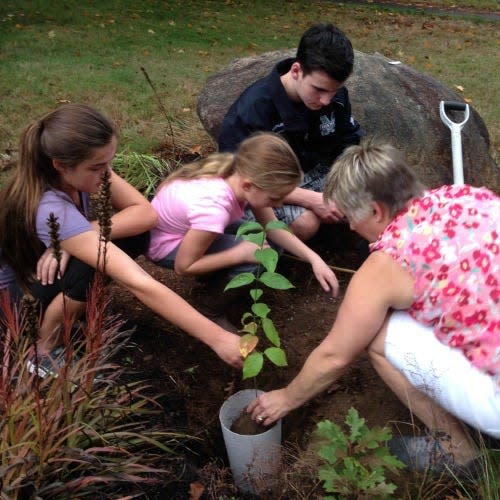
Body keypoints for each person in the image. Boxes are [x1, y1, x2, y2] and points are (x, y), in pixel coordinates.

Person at [247, 142, 499, 472]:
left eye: (352, 216)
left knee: (378, 337)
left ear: (376, 211)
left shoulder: (388, 263)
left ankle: (457, 450)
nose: (350, 226)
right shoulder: (467, 196)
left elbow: (335, 355)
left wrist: (286, 398)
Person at [0, 103, 243, 376]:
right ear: (61, 165)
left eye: (109, 163)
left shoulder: (78, 169)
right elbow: (138, 282)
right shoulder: (50, 209)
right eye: (98, 167)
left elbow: (146, 215)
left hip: (39, 278)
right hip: (14, 308)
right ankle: (42, 348)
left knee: (134, 234)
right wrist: (217, 338)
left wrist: (81, 235)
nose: (107, 175)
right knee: (97, 260)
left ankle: (59, 316)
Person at [146, 132, 340, 310]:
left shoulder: (240, 176)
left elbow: (273, 229)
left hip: (189, 230)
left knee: (265, 244)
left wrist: (314, 259)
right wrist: (239, 254)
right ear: (248, 186)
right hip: (166, 245)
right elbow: (183, 267)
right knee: (257, 254)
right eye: (274, 198)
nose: (280, 204)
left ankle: (217, 276)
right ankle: (209, 307)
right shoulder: (214, 210)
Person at [218, 23, 363, 241]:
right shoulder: (253, 111)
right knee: (305, 223)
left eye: (334, 91)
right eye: (320, 90)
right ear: (296, 71)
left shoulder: (334, 98)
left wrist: (352, 182)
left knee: (373, 191)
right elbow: (241, 180)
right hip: (265, 188)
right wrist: (311, 199)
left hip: (315, 174)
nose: (326, 100)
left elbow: (349, 142)